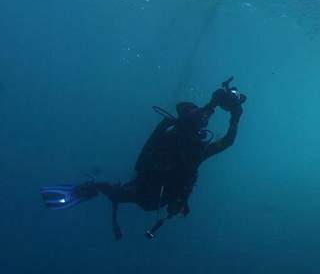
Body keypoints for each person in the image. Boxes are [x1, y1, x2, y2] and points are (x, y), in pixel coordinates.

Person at [42, 77, 246, 240]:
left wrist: (217, 105)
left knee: (118, 193)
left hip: (148, 193)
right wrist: (231, 113)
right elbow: (224, 139)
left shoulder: (183, 140)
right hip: (152, 195)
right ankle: (95, 188)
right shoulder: (189, 144)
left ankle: (94, 188)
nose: (201, 119)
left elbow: (206, 127)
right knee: (119, 193)